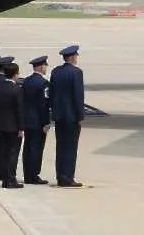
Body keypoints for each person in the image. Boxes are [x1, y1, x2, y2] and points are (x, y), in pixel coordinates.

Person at [50, 45, 85, 187]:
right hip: (71, 116)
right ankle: (67, 177)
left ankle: (60, 175)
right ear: (71, 57)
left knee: (61, 147)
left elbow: (52, 93)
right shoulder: (76, 73)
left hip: (59, 115)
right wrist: (80, 115)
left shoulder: (56, 71)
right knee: (70, 148)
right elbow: (78, 96)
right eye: (75, 56)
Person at [0, 61, 24, 188]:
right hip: (13, 126)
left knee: (3, 152)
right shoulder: (16, 89)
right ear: (15, 74)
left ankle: (4, 178)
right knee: (12, 153)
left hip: (0, 125)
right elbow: (19, 109)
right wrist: (21, 127)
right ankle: (10, 179)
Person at [22, 56, 51, 185]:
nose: (46, 68)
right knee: (36, 148)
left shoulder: (26, 81)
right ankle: (34, 175)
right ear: (40, 66)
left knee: (27, 148)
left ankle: (27, 174)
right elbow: (43, 105)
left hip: (27, 119)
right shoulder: (43, 83)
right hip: (38, 121)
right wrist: (46, 122)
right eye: (45, 66)